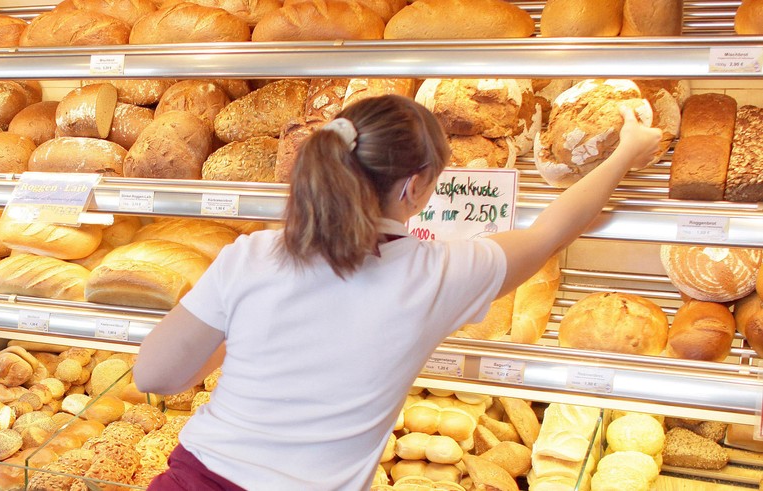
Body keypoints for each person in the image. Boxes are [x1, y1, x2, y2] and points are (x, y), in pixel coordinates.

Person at [134, 94, 662, 490]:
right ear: (413, 187)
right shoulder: (439, 275)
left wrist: (241, 338)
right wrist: (625, 153)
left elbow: (155, 375)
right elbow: (552, 231)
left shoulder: (251, 255)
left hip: (191, 479)